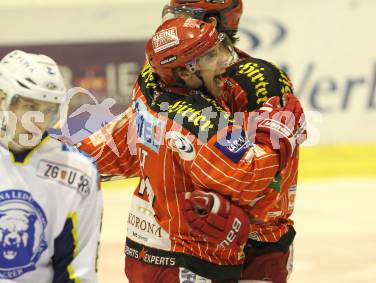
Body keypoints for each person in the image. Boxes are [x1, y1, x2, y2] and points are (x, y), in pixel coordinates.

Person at [78, 17, 305, 282]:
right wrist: (277, 133)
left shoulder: (149, 84)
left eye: (218, 49)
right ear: (184, 73)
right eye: (209, 56)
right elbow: (247, 175)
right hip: (187, 261)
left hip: (149, 249)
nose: (223, 61)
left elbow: (113, 150)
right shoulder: (199, 119)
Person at [163, 0, 303, 282]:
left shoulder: (256, 80)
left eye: (185, 16)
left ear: (212, 22)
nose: (176, 25)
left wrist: (240, 220)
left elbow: (275, 169)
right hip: (206, 237)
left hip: (258, 246)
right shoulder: (190, 73)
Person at [0, 50, 102, 282]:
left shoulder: (77, 172)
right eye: (29, 106)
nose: (38, 121)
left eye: (48, 110)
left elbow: (76, 273)